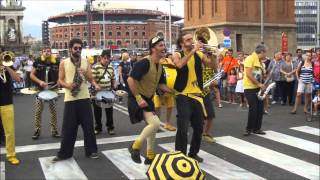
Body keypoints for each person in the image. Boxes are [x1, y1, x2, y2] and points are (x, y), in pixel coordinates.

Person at [127, 36, 173, 165]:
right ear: (153, 49)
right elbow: (131, 80)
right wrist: (138, 98)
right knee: (156, 123)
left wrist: (176, 92)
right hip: (137, 98)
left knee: (152, 126)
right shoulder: (144, 63)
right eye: (160, 46)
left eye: (164, 45)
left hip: (148, 99)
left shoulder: (160, 66)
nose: (164, 48)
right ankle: (135, 146)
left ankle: (150, 155)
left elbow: (161, 85)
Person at [52, 38, 100, 162]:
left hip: (84, 97)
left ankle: (91, 151)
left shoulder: (85, 62)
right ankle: (64, 153)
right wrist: (68, 85)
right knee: (68, 128)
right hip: (70, 99)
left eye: (80, 48)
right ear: (70, 49)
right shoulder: (64, 62)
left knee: (88, 127)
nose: (78, 50)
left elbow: (91, 79)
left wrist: (88, 76)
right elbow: (60, 80)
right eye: (75, 48)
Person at [172, 32, 217, 162]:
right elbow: (179, 65)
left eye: (192, 39)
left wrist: (213, 55)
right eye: (188, 40)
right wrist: (193, 51)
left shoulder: (199, 54)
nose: (192, 41)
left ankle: (193, 153)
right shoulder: (177, 54)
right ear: (181, 43)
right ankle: (180, 155)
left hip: (197, 96)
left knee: (198, 127)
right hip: (183, 95)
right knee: (183, 127)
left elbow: (213, 66)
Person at [30, 47, 60, 139]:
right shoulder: (38, 61)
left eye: (48, 51)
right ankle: (37, 130)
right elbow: (31, 75)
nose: (47, 53)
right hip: (40, 90)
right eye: (45, 51)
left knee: (53, 111)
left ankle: (54, 130)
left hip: (52, 90)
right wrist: (39, 82)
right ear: (42, 52)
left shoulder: (56, 62)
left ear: (51, 53)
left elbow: (61, 75)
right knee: (38, 111)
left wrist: (58, 82)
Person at [243, 45, 267, 136]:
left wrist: (264, 80)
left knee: (260, 109)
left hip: (258, 88)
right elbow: (249, 74)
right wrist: (259, 84)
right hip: (250, 88)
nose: (265, 55)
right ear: (261, 52)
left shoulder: (261, 63)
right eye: (265, 53)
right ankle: (248, 129)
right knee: (253, 109)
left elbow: (261, 75)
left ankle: (257, 128)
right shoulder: (250, 58)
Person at [91, 50, 116, 135]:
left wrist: (114, 85)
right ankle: (98, 128)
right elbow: (92, 79)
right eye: (104, 58)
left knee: (109, 111)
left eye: (108, 58)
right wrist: (96, 85)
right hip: (97, 93)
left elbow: (113, 78)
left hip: (108, 92)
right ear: (101, 58)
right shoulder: (95, 67)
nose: (106, 60)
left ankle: (110, 127)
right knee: (97, 112)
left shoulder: (111, 67)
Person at [0, 62, 21, 164]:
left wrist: (7, 67)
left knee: (10, 132)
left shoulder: (7, 65)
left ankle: (11, 155)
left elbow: (17, 79)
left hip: (7, 103)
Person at [153, 56, 176, 131]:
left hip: (170, 89)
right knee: (157, 107)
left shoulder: (168, 60)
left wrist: (170, 62)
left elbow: (174, 67)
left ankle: (167, 123)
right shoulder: (156, 60)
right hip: (159, 89)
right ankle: (156, 124)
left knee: (170, 106)